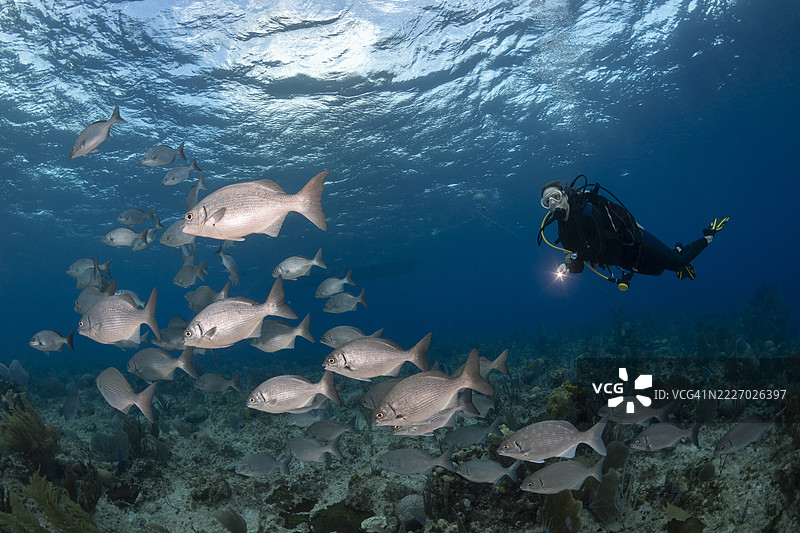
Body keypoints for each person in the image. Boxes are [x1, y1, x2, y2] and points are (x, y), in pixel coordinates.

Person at [538, 175, 728, 289]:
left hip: (636, 242)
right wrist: (568, 266)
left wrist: (575, 257)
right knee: (659, 270)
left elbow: (596, 248)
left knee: (679, 264)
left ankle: (708, 235)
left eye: (555, 197)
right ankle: (676, 250)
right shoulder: (563, 229)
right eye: (548, 202)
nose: (553, 203)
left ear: (565, 195)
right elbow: (579, 264)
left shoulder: (587, 211)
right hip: (623, 259)